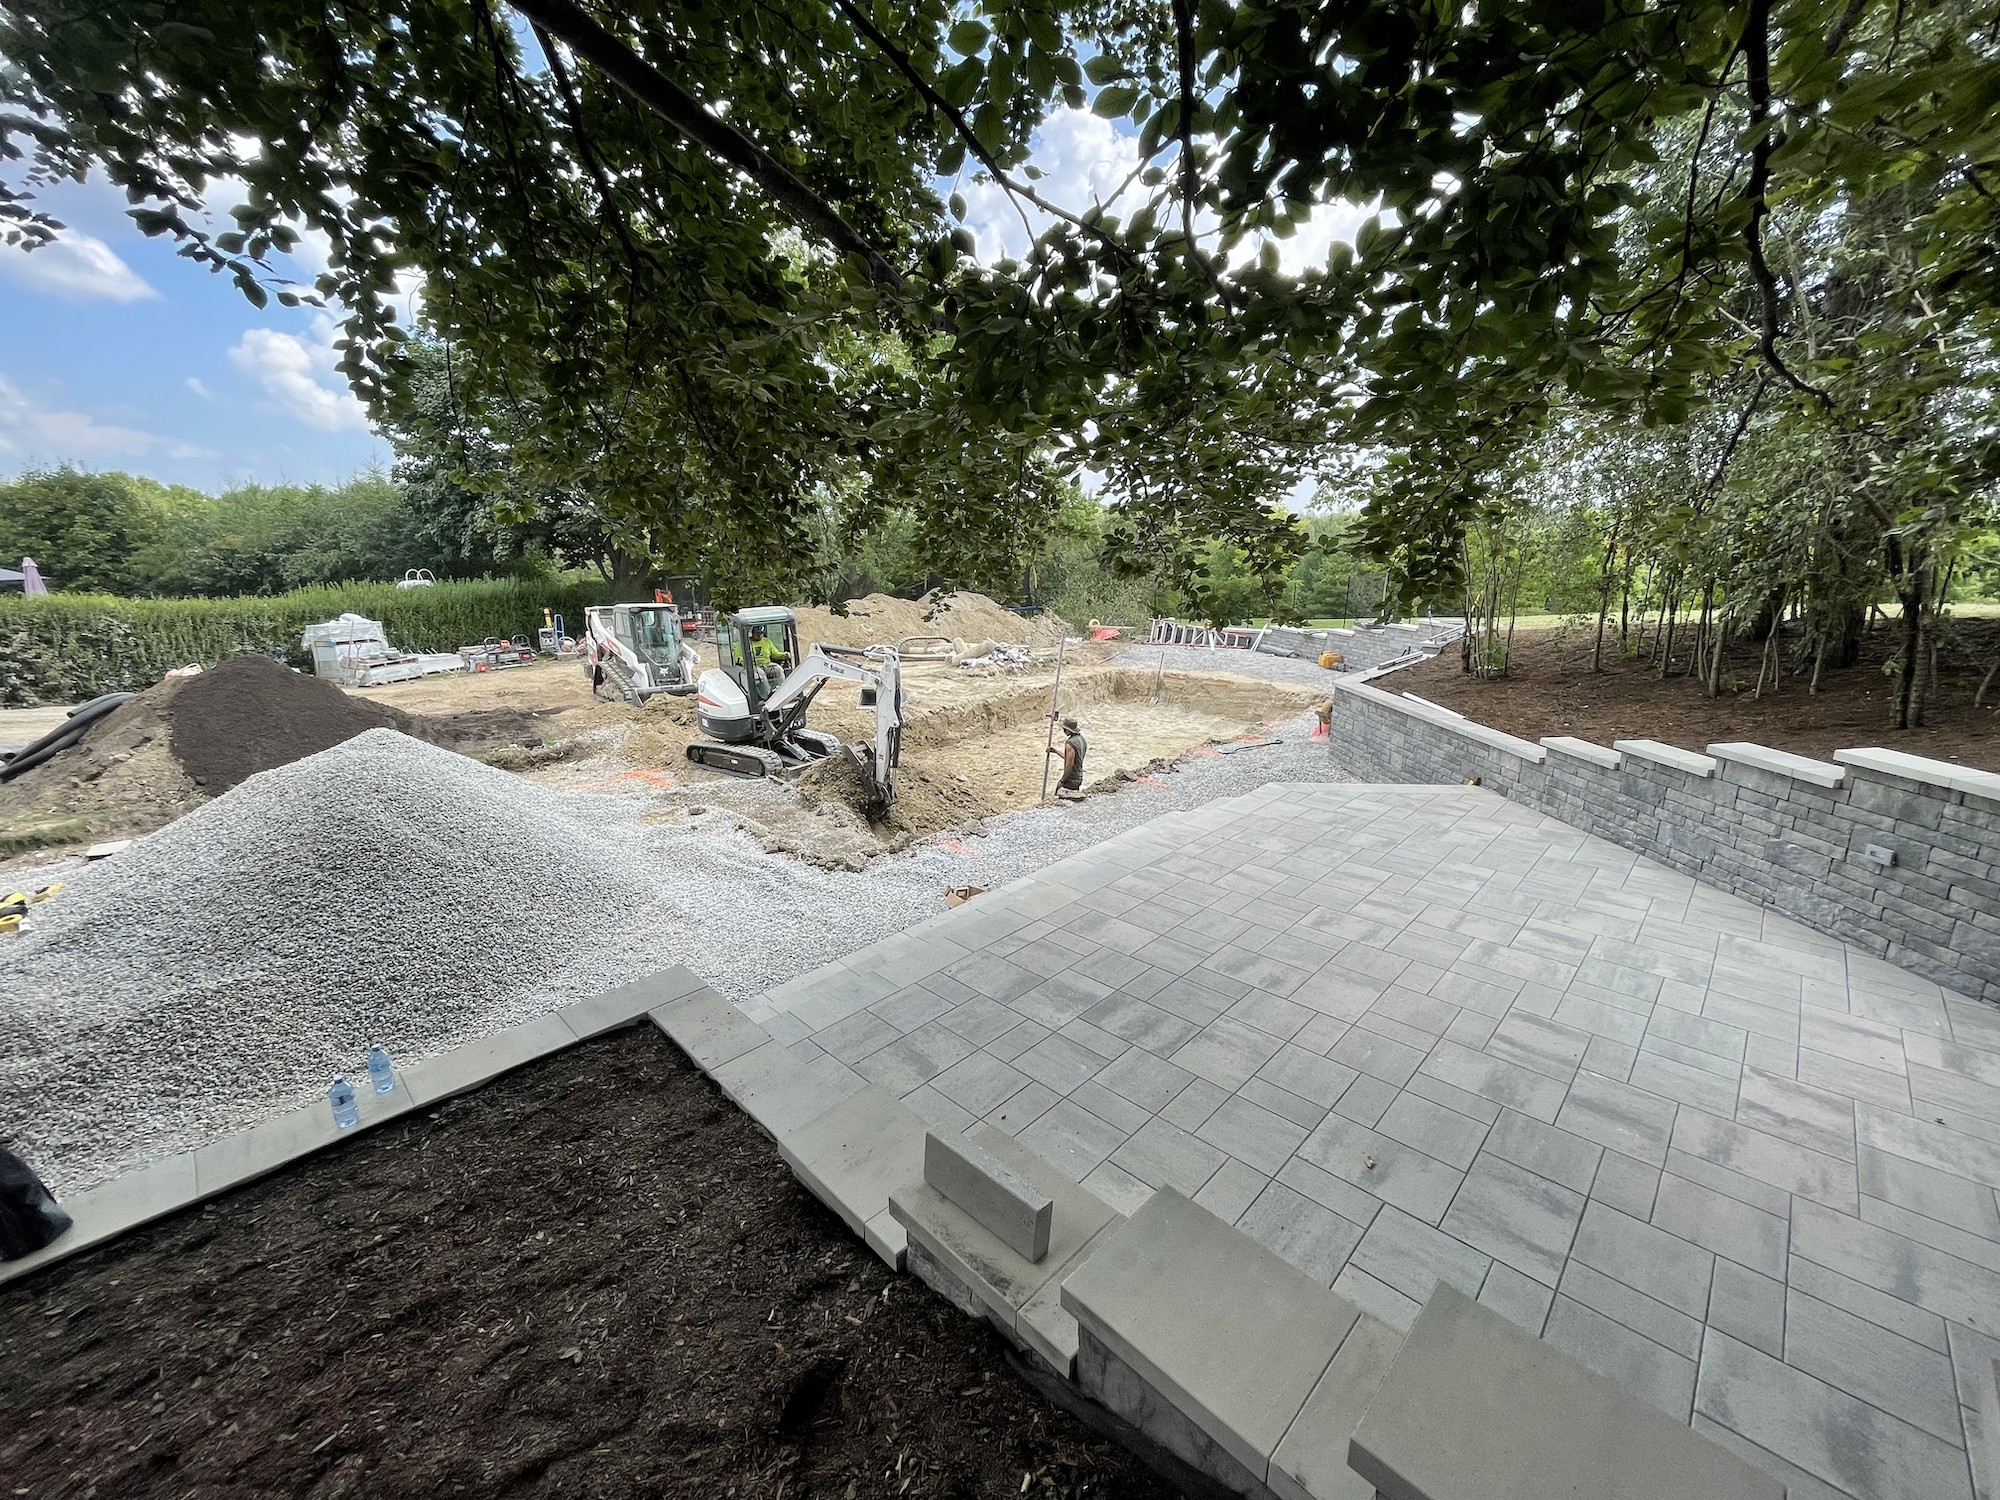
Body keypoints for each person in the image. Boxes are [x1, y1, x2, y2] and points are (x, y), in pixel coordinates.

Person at [1048, 716, 1087, 798]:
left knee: (1059, 797)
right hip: (1079, 776)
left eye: (1064, 729)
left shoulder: (1070, 743)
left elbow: (1070, 764)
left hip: (1071, 779)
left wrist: (1062, 781)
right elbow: (1070, 758)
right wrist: (1055, 751)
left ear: (1068, 729)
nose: (1063, 731)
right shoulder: (1081, 739)